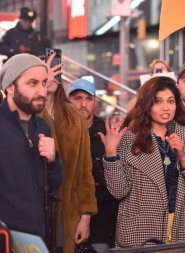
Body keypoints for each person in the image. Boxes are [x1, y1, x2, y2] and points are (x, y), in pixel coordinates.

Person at [99, 76, 185, 247]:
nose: (166, 107)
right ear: (147, 104)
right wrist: (111, 153)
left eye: (171, 101)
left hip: (184, 228)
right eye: (158, 102)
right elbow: (119, 192)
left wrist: (183, 157)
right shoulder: (130, 139)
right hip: (140, 233)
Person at [0, 53, 62, 238]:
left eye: (44, 83)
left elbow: (52, 188)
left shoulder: (42, 127)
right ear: (11, 88)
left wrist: (53, 161)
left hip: (36, 241)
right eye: (32, 83)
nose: (41, 91)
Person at [41, 54, 97, 253]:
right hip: (34, 211)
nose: (52, 75)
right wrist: (42, 90)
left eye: (56, 69)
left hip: (69, 211)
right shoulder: (28, 113)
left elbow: (85, 171)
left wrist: (86, 216)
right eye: (46, 70)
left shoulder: (74, 117)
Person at [68, 79, 119, 253]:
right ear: (68, 100)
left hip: (103, 215)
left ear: (95, 102)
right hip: (68, 211)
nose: (83, 104)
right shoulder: (60, 129)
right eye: (78, 98)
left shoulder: (106, 131)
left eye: (88, 99)